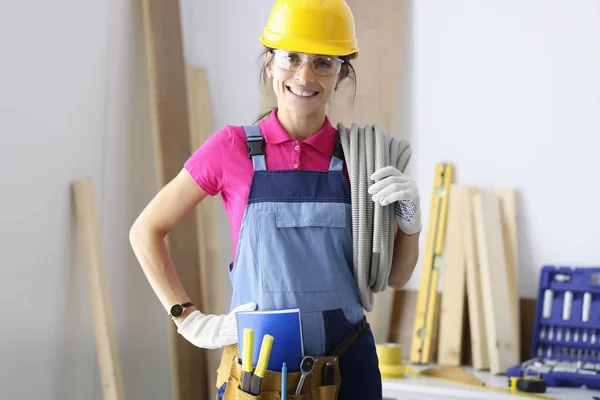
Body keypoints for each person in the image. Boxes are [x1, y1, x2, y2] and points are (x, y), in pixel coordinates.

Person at [129, 0, 422, 398]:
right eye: (291, 58)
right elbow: (146, 230)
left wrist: (410, 224)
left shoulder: (361, 159)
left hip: (348, 364)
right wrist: (188, 318)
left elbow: (396, 277)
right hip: (259, 372)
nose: (305, 75)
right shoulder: (231, 149)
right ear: (270, 63)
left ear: (341, 73)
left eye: (323, 62)